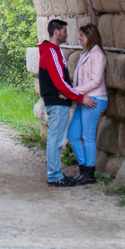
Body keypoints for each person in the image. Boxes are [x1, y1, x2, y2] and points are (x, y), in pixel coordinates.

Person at [38, 19, 95, 188]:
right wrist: (79, 97)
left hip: (57, 100)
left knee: (56, 139)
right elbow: (60, 82)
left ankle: (56, 173)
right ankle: (54, 175)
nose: (67, 34)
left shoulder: (52, 51)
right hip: (57, 102)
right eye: (64, 31)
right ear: (56, 33)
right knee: (56, 140)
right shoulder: (52, 53)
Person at [66, 23, 108, 186]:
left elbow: (96, 80)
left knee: (88, 136)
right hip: (84, 98)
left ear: (90, 36)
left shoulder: (97, 55)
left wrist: (74, 91)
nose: (79, 38)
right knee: (73, 134)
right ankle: (84, 168)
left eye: (81, 36)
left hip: (94, 99)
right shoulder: (86, 53)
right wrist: (76, 93)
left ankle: (89, 173)